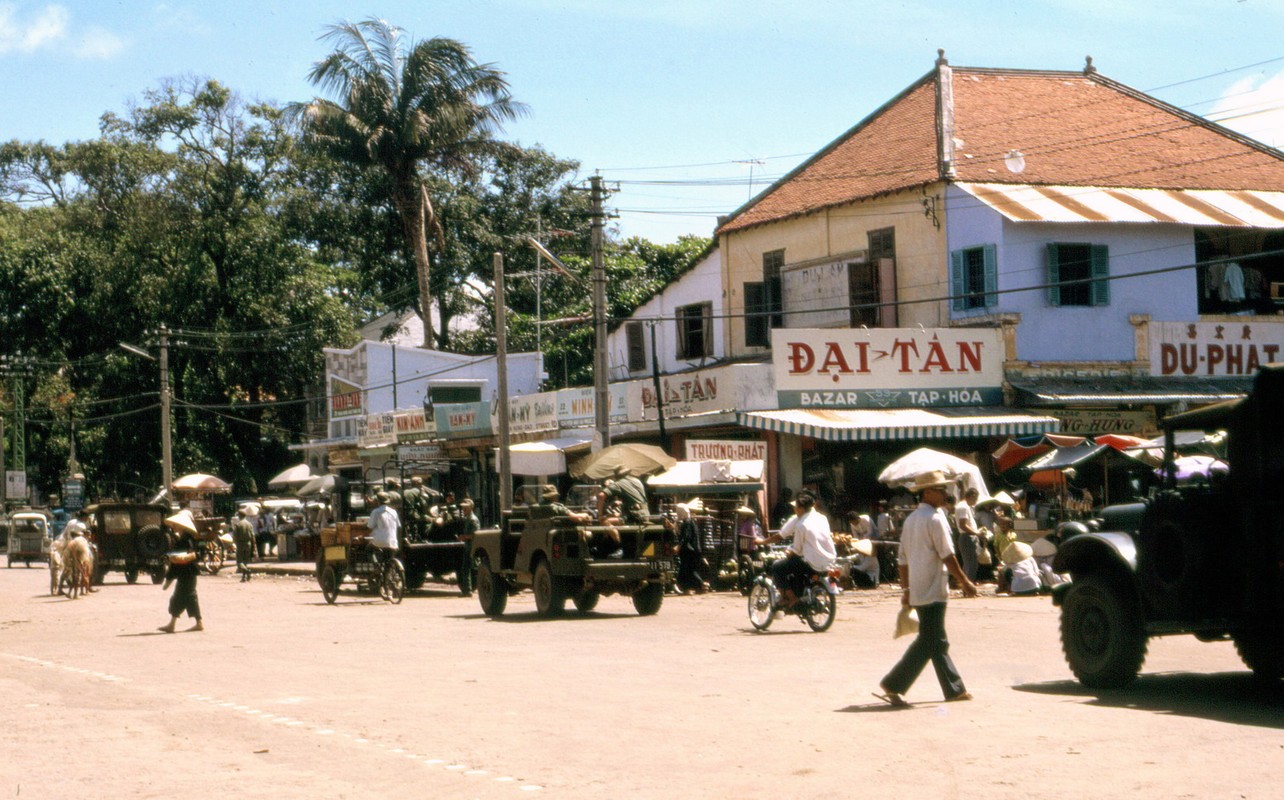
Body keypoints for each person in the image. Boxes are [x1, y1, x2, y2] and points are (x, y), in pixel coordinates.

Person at [876, 471, 977, 707]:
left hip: (920, 588)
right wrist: (964, 581)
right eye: (940, 490)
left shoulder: (912, 519)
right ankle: (894, 682)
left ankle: (953, 689)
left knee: (933, 640)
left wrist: (907, 589)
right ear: (928, 492)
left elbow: (902, 560)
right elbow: (948, 555)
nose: (945, 494)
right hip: (933, 587)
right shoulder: (935, 518)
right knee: (933, 640)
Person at [759, 489, 836, 610]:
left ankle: (790, 597)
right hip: (828, 560)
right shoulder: (822, 518)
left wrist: (790, 552)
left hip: (811, 563)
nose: (794, 510)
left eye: (796, 507)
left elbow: (797, 550)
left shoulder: (801, 525)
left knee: (777, 567)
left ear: (801, 508)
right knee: (795, 565)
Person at [596, 465, 650, 555]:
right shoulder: (637, 481)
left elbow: (601, 496)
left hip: (634, 517)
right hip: (645, 515)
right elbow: (635, 500)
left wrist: (600, 515)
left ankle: (618, 546)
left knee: (605, 522)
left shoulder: (619, 484)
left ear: (617, 476)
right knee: (613, 517)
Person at [159, 528, 203, 633]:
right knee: (188, 597)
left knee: (180, 597)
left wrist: (169, 578)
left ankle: (174, 625)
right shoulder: (192, 540)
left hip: (185, 573)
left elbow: (176, 562)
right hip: (191, 573)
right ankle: (196, 622)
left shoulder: (182, 541)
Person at [671, 502, 708, 594]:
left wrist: (678, 546)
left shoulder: (687, 523)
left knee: (686, 570)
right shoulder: (691, 521)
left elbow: (686, 537)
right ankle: (698, 587)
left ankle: (700, 585)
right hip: (694, 550)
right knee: (689, 570)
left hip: (688, 550)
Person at [954, 487, 982, 582]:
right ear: (971, 496)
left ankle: (967, 587)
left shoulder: (965, 506)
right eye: (975, 499)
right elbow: (963, 525)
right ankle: (969, 587)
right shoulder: (963, 507)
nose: (976, 501)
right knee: (971, 564)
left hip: (967, 537)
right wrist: (976, 533)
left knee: (969, 564)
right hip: (967, 537)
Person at [456, 497, 480, 597]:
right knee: (467, 569)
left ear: (470, 508)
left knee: (469, 568)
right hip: (468, 546)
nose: (463, 510)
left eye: (465, 508)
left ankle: (468, 590)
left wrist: (463, 537)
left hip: (472, 547)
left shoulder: (473, 519)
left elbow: (475, 534)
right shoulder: (468, 519)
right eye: (463, 508)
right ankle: (467, 590)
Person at [231, 509, 255, 582]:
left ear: (239, 516)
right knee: (245, 561)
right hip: (248, 544)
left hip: (240, 544)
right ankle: (244, 577)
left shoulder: (238, 525)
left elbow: (234, 536)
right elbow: (253, 536)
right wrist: (254, 546)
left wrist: (234, 543)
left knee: (239, 562)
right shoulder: (249, 524)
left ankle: (247, 571)